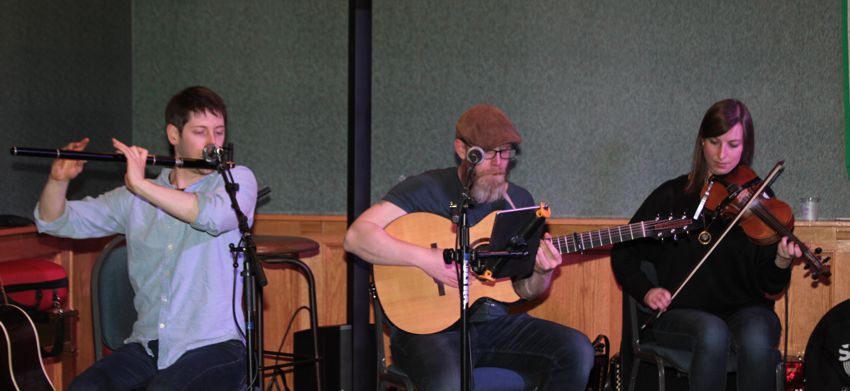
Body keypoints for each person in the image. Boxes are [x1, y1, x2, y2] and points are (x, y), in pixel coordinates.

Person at [344, 104, 595, 390]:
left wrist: (542, 271)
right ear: (462, 150)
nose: (499, 162)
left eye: (505, 152)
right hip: (427, 332)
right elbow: (357, 237)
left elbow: (525, 290)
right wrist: (428, 259)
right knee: (450, 381)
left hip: (495, 325)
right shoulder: (426, 189)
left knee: (576, 349)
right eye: (488, 153)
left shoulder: (520, 202)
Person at [35, 86, 257, 390]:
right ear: (174, 135)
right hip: (150, 345)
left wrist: (141, 186)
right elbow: (55, 222)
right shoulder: (133, 198)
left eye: (218, 132)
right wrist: (57, 182)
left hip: (215, 345)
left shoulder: (235, 181)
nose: (212, 143)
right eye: (200, 132)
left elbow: (212, 217)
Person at [611, 99, 802, 390]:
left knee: (757, 335)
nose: (723, 155)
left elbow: (770, 285)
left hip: (745, 310)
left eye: (733, 144)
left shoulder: (759, 201)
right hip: (681, 314)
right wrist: (645, 290)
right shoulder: (672, 195)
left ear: (745, 147)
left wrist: (782, 261)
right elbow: (624, 250)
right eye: (715, 142)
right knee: (712, 333)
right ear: (702, 142)